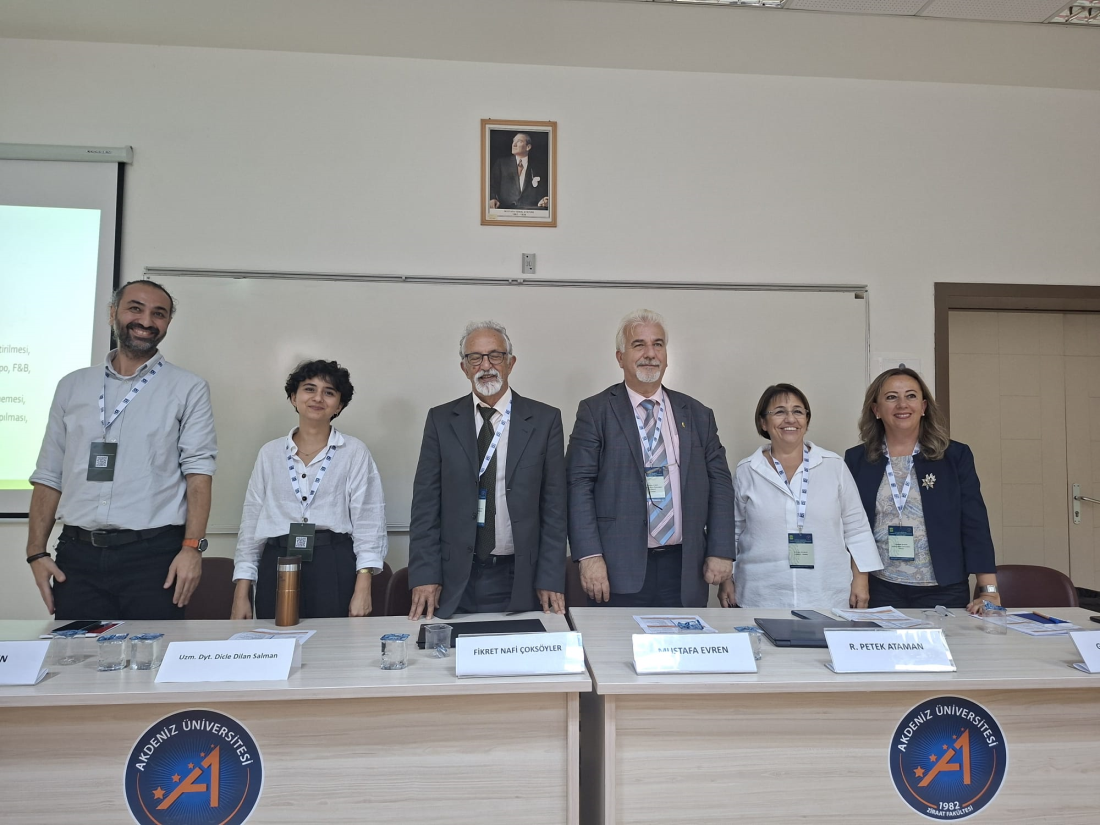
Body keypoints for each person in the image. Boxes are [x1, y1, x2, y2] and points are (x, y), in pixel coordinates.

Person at [25, 280, 217, 619]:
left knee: (153, 650)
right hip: (77, 557)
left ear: (168, 323)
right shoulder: (72, 386)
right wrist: (36, 552)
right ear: (113, 312)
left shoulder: (188, 388)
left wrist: (192, 548)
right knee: (77, 651)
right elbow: (49, 473)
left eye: (159, 314)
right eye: (135, 309)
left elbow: (198, 473)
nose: (146, 321)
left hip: (154, 557)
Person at [566, 309, 734, 608]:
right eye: (639, 345)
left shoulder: (698, 414)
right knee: (616, 641)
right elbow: (578, 485)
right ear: (620, 357)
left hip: (684, 568)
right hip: (617, 569)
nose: (650, 354)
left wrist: (721, 549)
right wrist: (589, 556)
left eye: (658, 344)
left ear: (666, 356)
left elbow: (720, 484)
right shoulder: (596, 411)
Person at [407, 321, 566, 619]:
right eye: (475, 358)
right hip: (455, 578)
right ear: (464, 368)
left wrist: (550, 576)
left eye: (495, 355)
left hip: (522, 576)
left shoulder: (545, 420)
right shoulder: (441, 420)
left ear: (510, 363)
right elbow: (425, 505)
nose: (486, 365)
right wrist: (425, 574)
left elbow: (555, 508)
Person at [231, 360, 387, 620]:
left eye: (329, 392)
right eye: (309, 389)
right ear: (294, 397)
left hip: (332, 561)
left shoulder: (354, 452)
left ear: (339, 405)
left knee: (333, 641)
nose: (317, 398)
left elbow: (369, 521)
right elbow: (251, 521)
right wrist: (242, 592)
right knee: (275, 638)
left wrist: (363, 586)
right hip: (277, 560)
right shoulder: (270, 453)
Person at [844, 368, 999, 613]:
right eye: (891, 397)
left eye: (911, 396)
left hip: (944, 587)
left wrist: (989, 590)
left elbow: (975, 524)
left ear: (924, 406)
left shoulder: (955, 456)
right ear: (876, 410)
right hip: (879, 585)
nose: (902, 404)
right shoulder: (857, 460)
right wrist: (859, 578)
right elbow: (853, 526)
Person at [718, 384, 881, 610]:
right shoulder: (748, 470)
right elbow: (732, 533)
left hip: (826, 593)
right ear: (763, 422)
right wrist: (726, 580)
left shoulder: (833, 465)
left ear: (806, 419)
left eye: (797, 411)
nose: (790, 419)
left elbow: (857, 528)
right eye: (779, 412)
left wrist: (861, 581)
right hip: (761, 594)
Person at [488, 132, 550, 210]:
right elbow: (492, 185)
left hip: (531, 210)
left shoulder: (539, 166)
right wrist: (492, 198)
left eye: (519, 141)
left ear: (528, 147)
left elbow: (545, 190)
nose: (514, 144)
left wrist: (545, 200)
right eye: (513, 141)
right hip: (505, 209)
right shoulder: (501, 164)